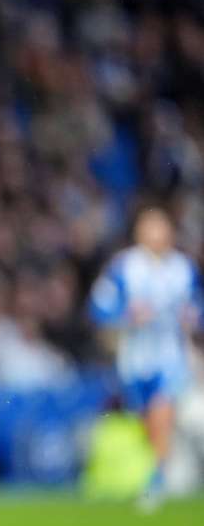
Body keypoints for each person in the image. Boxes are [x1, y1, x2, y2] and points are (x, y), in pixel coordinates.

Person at [90, 207, 202, 507]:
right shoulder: (124, 267)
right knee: (146, 419)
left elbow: (198, 306)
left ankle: (157, 480)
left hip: (170, 355)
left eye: (161, 226)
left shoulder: (183, 268)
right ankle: (158, 469)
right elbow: (99, 307)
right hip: (135, 357)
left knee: (161, 408)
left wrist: (192, 317)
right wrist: (126, 316)